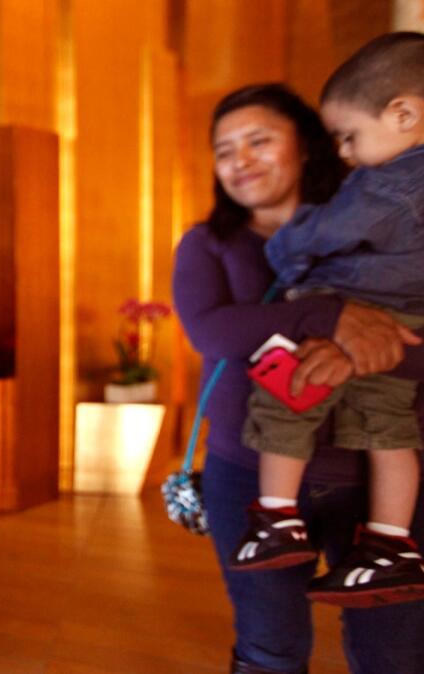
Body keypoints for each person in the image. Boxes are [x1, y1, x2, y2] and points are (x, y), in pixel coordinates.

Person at [173, 82, 424, 673]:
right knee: (271, 647)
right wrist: (332, 319)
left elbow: (410, 340)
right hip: (248, 476)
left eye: (260, 140)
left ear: (307, 146)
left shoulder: (389, 236)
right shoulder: (208, 243)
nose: (241, 161)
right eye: (225, 149)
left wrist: (359, 350)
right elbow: (212, 333)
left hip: (376, 470)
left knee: (395, 648)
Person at [230, 33, 424, 609]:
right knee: (390, 431)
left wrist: (288, 249)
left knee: (286, 393)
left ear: (404, 113)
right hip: (408, 321)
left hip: (358, 307)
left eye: (349, 137)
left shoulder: (387, 184)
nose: (344, 153)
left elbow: (324, 234)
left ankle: (276, 519)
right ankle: (391, 545)